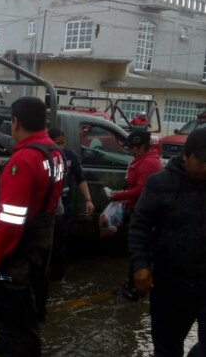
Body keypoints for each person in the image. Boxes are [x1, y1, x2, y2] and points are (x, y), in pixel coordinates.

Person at [0, 97, 64, 357]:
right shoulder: (54, 152)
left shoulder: (23, 161)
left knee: (12, 327)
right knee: (28, 322)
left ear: (15, 122)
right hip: (40, 250)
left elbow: (10, 221)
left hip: (17, 255)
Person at [128, 128, 206, 357]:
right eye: (201, 162)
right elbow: (139, 227)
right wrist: (141, 265)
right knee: (167, 349)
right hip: (170, 285)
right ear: (186, 155)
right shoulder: (160, 184)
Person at [109, 130, 162, 300]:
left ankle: (135, 290)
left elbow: (141, 190)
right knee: (135, 251)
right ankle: (131, 286)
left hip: (143, 214)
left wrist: (118, 196)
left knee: (138, 251)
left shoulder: (148, 164)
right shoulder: (140, 161)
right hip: (136, 208)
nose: (131, 151)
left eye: (134, 148)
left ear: (142, 147)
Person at [47, 128, 94, 281]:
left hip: (65, 209)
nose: (60, 146)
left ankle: (58, 277)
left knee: (59, 245)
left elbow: (80, 179)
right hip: (47, 210)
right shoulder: (43, 155)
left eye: (63, 143)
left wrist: (88, 199)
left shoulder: (70, 155)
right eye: (57, 143)